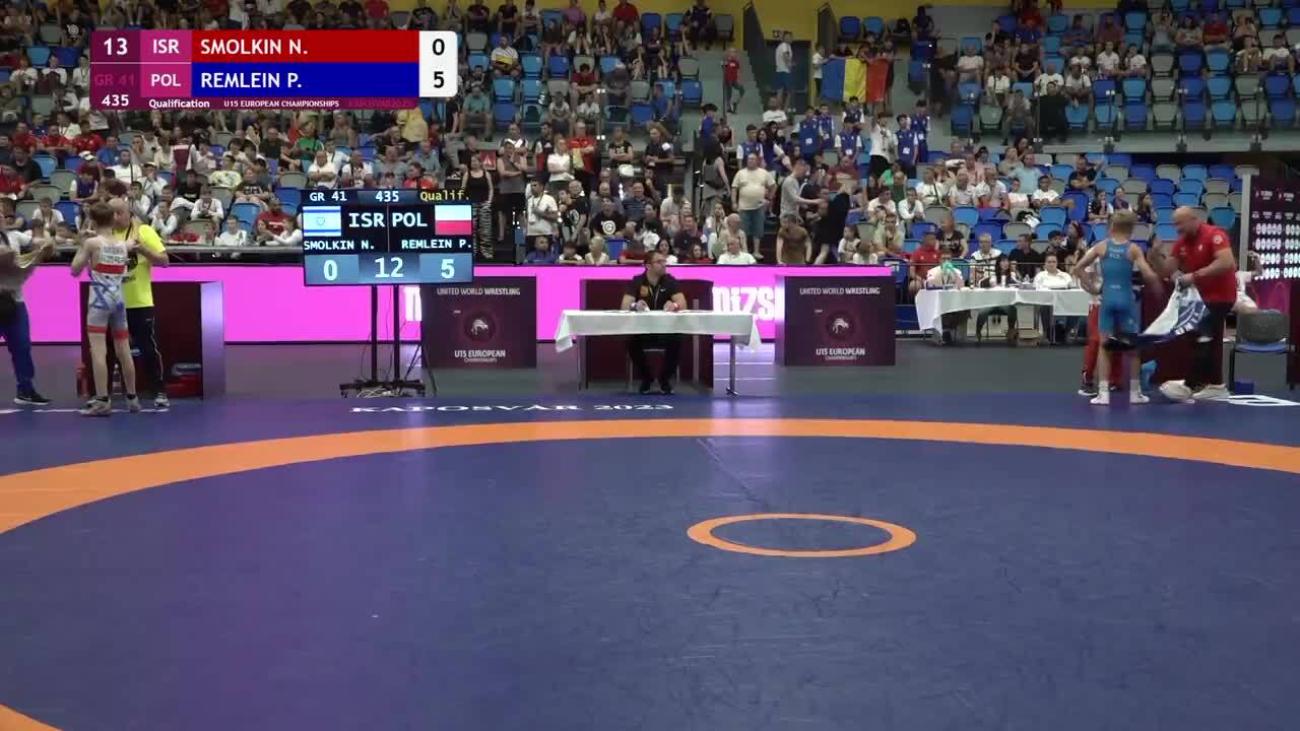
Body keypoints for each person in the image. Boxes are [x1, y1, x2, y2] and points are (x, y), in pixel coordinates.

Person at [1071, 211, 1157, 405]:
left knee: (1104, 346)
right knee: (1133, 347)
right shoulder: (1133, 249)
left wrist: (1093, 288)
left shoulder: (1101, 247)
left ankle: (1103, 393)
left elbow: (1078, 268)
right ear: (1131, 229)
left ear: (1111, 227)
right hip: (1126, 300)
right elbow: (1147, 273)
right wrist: (1157, 284)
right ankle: (1135, 393)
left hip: (1107, 300)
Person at [1157, 206, 1238, 402]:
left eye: (1180, 223)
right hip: (1200, 298)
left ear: (1194, 220)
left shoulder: (1214, 235)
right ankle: (1215, 385)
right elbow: (1166, 270)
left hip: (1221, 296)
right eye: (1175, 224)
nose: (1177, 228)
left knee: (1203, 334)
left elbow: (1227, 262)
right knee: (1207, 338)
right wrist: (1155, 256)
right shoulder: (1181, 242)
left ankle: (1190, 385)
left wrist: (1195, 276)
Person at [71, 203, 141, 416]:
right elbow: (134, 239)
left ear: (93, 221)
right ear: (112, 220)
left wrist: (81, 243)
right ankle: (132, 398)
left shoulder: (92, 243)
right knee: (123, 349)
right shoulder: (122, 244)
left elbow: (74, 269)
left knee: (99, 350)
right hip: (118, 300)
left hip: (99, 302)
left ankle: (102, 400)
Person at [114, 197, 171, 408]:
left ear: (129, 214)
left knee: (147, 348)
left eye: (119, 213)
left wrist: (142, 250)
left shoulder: (144, 231)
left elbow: (164, 261)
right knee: (112, 350)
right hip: (114, 302)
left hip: (139, 301)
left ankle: (159, 390)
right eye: (112, 214)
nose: (115, 217)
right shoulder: (106, 235)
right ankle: (109, 393)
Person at [0, 221, 55, 405]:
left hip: (15, 302)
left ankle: (25, 390)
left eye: (2, 214)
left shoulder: (14, 236)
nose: (1, 217)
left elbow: (37, 241)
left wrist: (45, 243)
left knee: (22, 346)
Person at [620, 251, 687, 394]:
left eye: (664, 261)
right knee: (630, 340)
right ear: (648, 266)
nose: (664, 264)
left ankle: (664, 379)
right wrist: (635, 305)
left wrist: (674, 305)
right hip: (643, 331)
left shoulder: (669, 281)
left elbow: (682, 302)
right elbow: (624, 305)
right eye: (659, 262)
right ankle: (647, 378)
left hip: (665, 331)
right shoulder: (637, 281)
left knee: (678, 339)